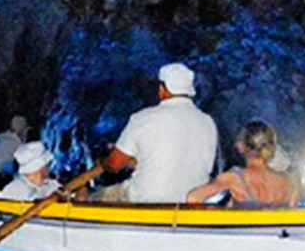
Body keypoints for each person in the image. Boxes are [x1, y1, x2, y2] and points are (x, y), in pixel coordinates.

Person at [94, 62, 219, 203]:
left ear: (162, 89)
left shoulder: (143, 118)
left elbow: (114, 164)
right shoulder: (207, 122)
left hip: (145, 199)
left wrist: (104, 159)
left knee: (93, 199)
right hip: (191, 203)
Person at [186, 120, 296, 207]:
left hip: (245, 234)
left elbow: (193, 198)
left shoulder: (234, 178)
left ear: (243, 145)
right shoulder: (287, 182)